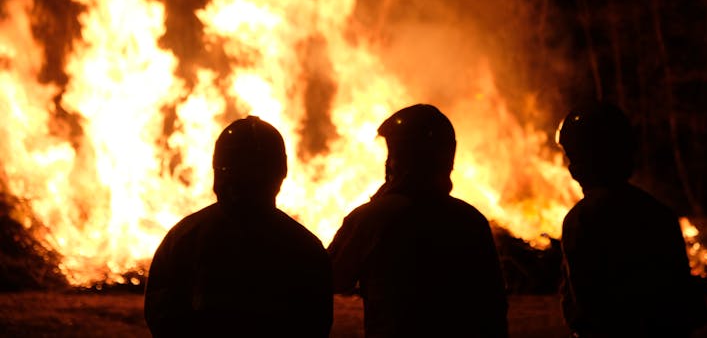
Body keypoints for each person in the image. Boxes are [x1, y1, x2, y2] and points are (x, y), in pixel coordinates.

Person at [328, 104, 509, 337]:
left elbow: (332, 277)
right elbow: (494, 306)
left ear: (400, 159)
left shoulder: (372, 218)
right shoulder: (471, 220)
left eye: (392, 154)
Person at [144, 116, 332, 337]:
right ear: (280, 173)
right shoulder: (304, 246)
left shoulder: (184, 237)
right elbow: (315, 323)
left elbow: (161, 316)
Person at [556, 101, 707, 337]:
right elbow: (686, 306)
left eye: (572, 155)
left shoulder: (583, 220)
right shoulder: (660, 215)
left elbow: (584, 310)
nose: (571, 166)